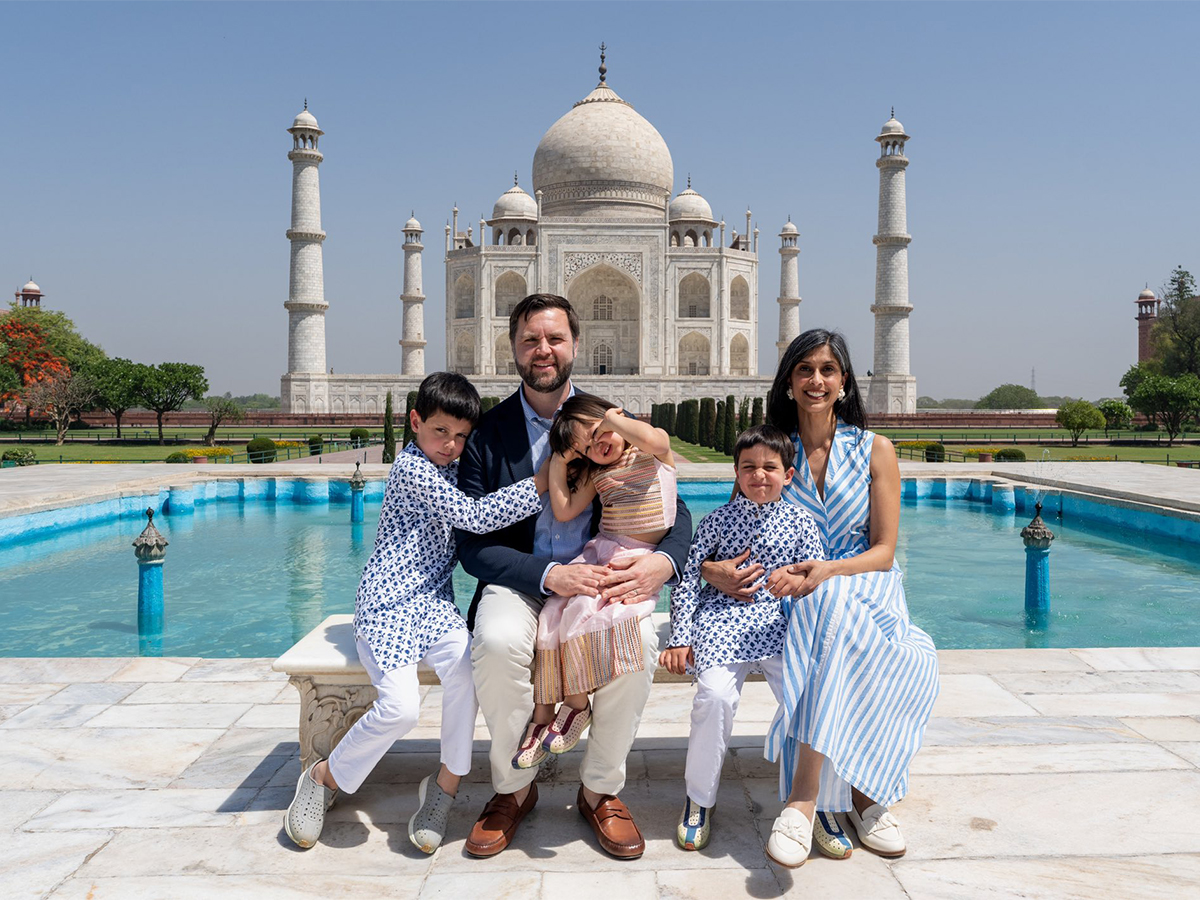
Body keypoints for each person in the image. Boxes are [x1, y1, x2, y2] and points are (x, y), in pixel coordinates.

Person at [456, 293, 692, 860]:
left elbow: (667, 499)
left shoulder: (603, 417)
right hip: (523, 579)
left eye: (554, 339)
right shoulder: (489, 435)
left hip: (599, 574)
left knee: (634, 644)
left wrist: (666, 560)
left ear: (574, 345)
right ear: (511, 347)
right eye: (531, 339)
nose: (543, 350)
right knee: (495, 642)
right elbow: (471, 546)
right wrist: (549, 575)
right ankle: (514, 791)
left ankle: (600, 791)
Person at [283, 372, 548, 854]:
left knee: (466, 672)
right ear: (415, 422)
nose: (451, 445)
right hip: (387, 604)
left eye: (462, 436)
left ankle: (444, 787)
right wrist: (541, 482)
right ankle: (323, 777)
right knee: (400, 707)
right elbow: (476, 516)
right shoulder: (413, 468)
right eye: (440, 431)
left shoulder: (454, 465)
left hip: (433, 603)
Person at [704, 329, 939, 867]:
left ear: (844, 380)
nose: (816, 380)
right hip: (787, 590)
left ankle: (804, 799)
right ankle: (864, 794)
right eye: (805, 370)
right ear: (789, 382)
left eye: (827, 370)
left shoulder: (874, 449)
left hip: (864, 581)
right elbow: (737, 530)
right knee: (827, 617)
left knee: (838, 614)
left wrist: (828, 569)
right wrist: (715, 568)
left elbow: (883, 550)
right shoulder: (771, 451)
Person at [660, 425, 826, 852]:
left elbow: (817, 578)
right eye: (749, 468)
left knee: (814, 698)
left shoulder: (802, 523)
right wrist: (680, 637)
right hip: (723, 624)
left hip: (781, 626)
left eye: (770, 468)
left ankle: (816, 803)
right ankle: (699, 799)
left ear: (788, 475)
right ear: (736, 472)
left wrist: (796, 582)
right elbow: (686, 582)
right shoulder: (717, 521)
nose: (759, 476)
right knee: (713, 698)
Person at [511, 395, 676, 770]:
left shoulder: (651, 451)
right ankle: (541, 717)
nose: (599, 444)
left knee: (582, 611)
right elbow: (564, 508)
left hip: (630, 558)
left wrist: (615, 421)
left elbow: (656, 440)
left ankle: (576, 704)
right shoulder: (597, 472)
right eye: (589, 447)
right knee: (551, 616)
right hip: (602, 549)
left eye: (600, 433)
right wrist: (558, 463)